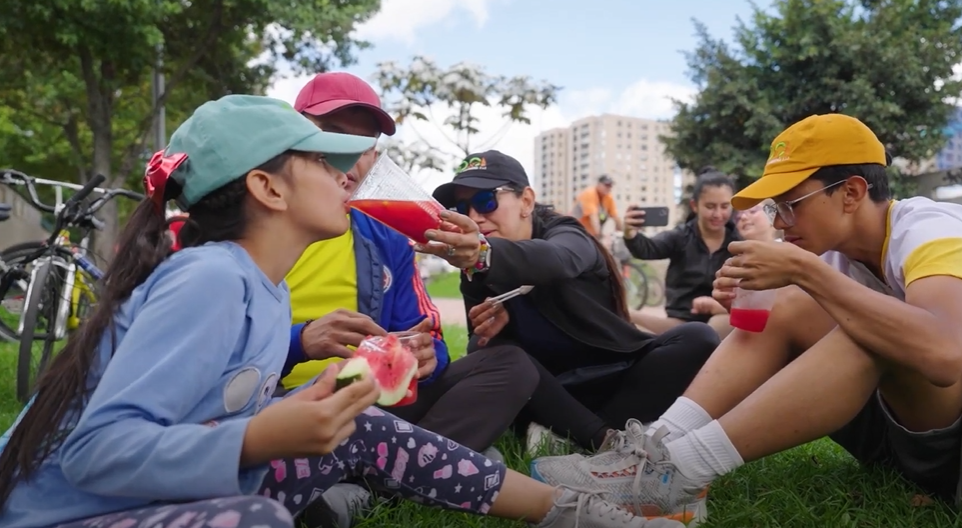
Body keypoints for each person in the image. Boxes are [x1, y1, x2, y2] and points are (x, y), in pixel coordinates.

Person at [0, 95, 684, 528]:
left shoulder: (259, 287)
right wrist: (263, 437)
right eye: (323, 160)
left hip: (143, 495)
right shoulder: (208, 277)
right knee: (257, 518)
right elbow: (95, 453)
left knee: (363, 431)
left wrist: (314, 379)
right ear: (267, 186)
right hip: (64, 513)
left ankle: (582, 514)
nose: (347, 173)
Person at [526, 113, 962, 524]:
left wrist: (807, 276)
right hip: (923, 436)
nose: (780, 223)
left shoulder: (934, 229)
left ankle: (679, 474)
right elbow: (762, 329)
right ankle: (652, 455)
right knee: (788, 307)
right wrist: (741, 304)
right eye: (774, 209)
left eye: (791, 204)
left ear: (852, 192)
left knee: (866, 328)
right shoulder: (837, 252)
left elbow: (944, 355)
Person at [282, 71, 538, 525]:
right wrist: (302, 339)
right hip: (282, 403)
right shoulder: (261, 224)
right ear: (292, 136)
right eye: (333, 136)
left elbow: (427, 336)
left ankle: (368, 486)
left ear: (375, 156)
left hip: (371, 398)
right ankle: (440, 468)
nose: (350, 160)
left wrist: (425, 354)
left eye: (363, 146)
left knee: (511, 365)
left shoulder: (386, 237)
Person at [419, 150, 720, 455]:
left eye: (486, 200)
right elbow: (486, 357)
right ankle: (600, 438)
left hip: (617, 372)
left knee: (699, 337)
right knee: (490, 352)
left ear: (526, 201)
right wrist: (494, 333)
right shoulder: (476, 271)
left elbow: (558, 260)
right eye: (460, 206)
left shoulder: (566, 234)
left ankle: (568, 434)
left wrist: (486, 255)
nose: (473, 216)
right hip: (550, 391)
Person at [621, 171, 743, 339]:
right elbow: (648, 249)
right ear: (695, 206)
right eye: (710, 206)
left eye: (724, 206)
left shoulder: (739, 241)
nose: (717, 214)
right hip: (680, 322)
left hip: (721, 319)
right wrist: (630, 234)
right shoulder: (680, 237)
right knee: (623, 314)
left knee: (715, 328)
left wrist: (716, 305)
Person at [571, 174, 623, 244]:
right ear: (598, 184)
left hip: (590, 235)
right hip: (576, 232)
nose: (609, 188)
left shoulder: (608, 198)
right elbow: (594, 218)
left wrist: (622, 234)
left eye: (610, 186)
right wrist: (600, 238)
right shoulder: (589, 193)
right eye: (606, 185)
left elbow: (616, 217)